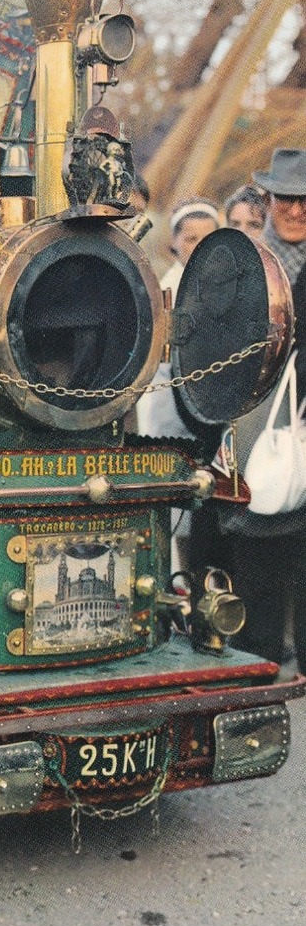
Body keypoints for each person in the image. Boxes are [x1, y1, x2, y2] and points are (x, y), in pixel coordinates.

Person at [219, 149, 306, 672]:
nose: (297, 210)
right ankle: (262, 666)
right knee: (263, 549)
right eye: (288, 199)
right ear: (269, 200)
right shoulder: (247, 264)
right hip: (262, 427)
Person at [136, 198, 221, 571]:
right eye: (190, 239)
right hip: (169, 418)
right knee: (176, 520)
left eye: (208, 239)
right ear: (175, 244)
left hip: (212, 420)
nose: (198, 247)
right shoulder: (164, 291)